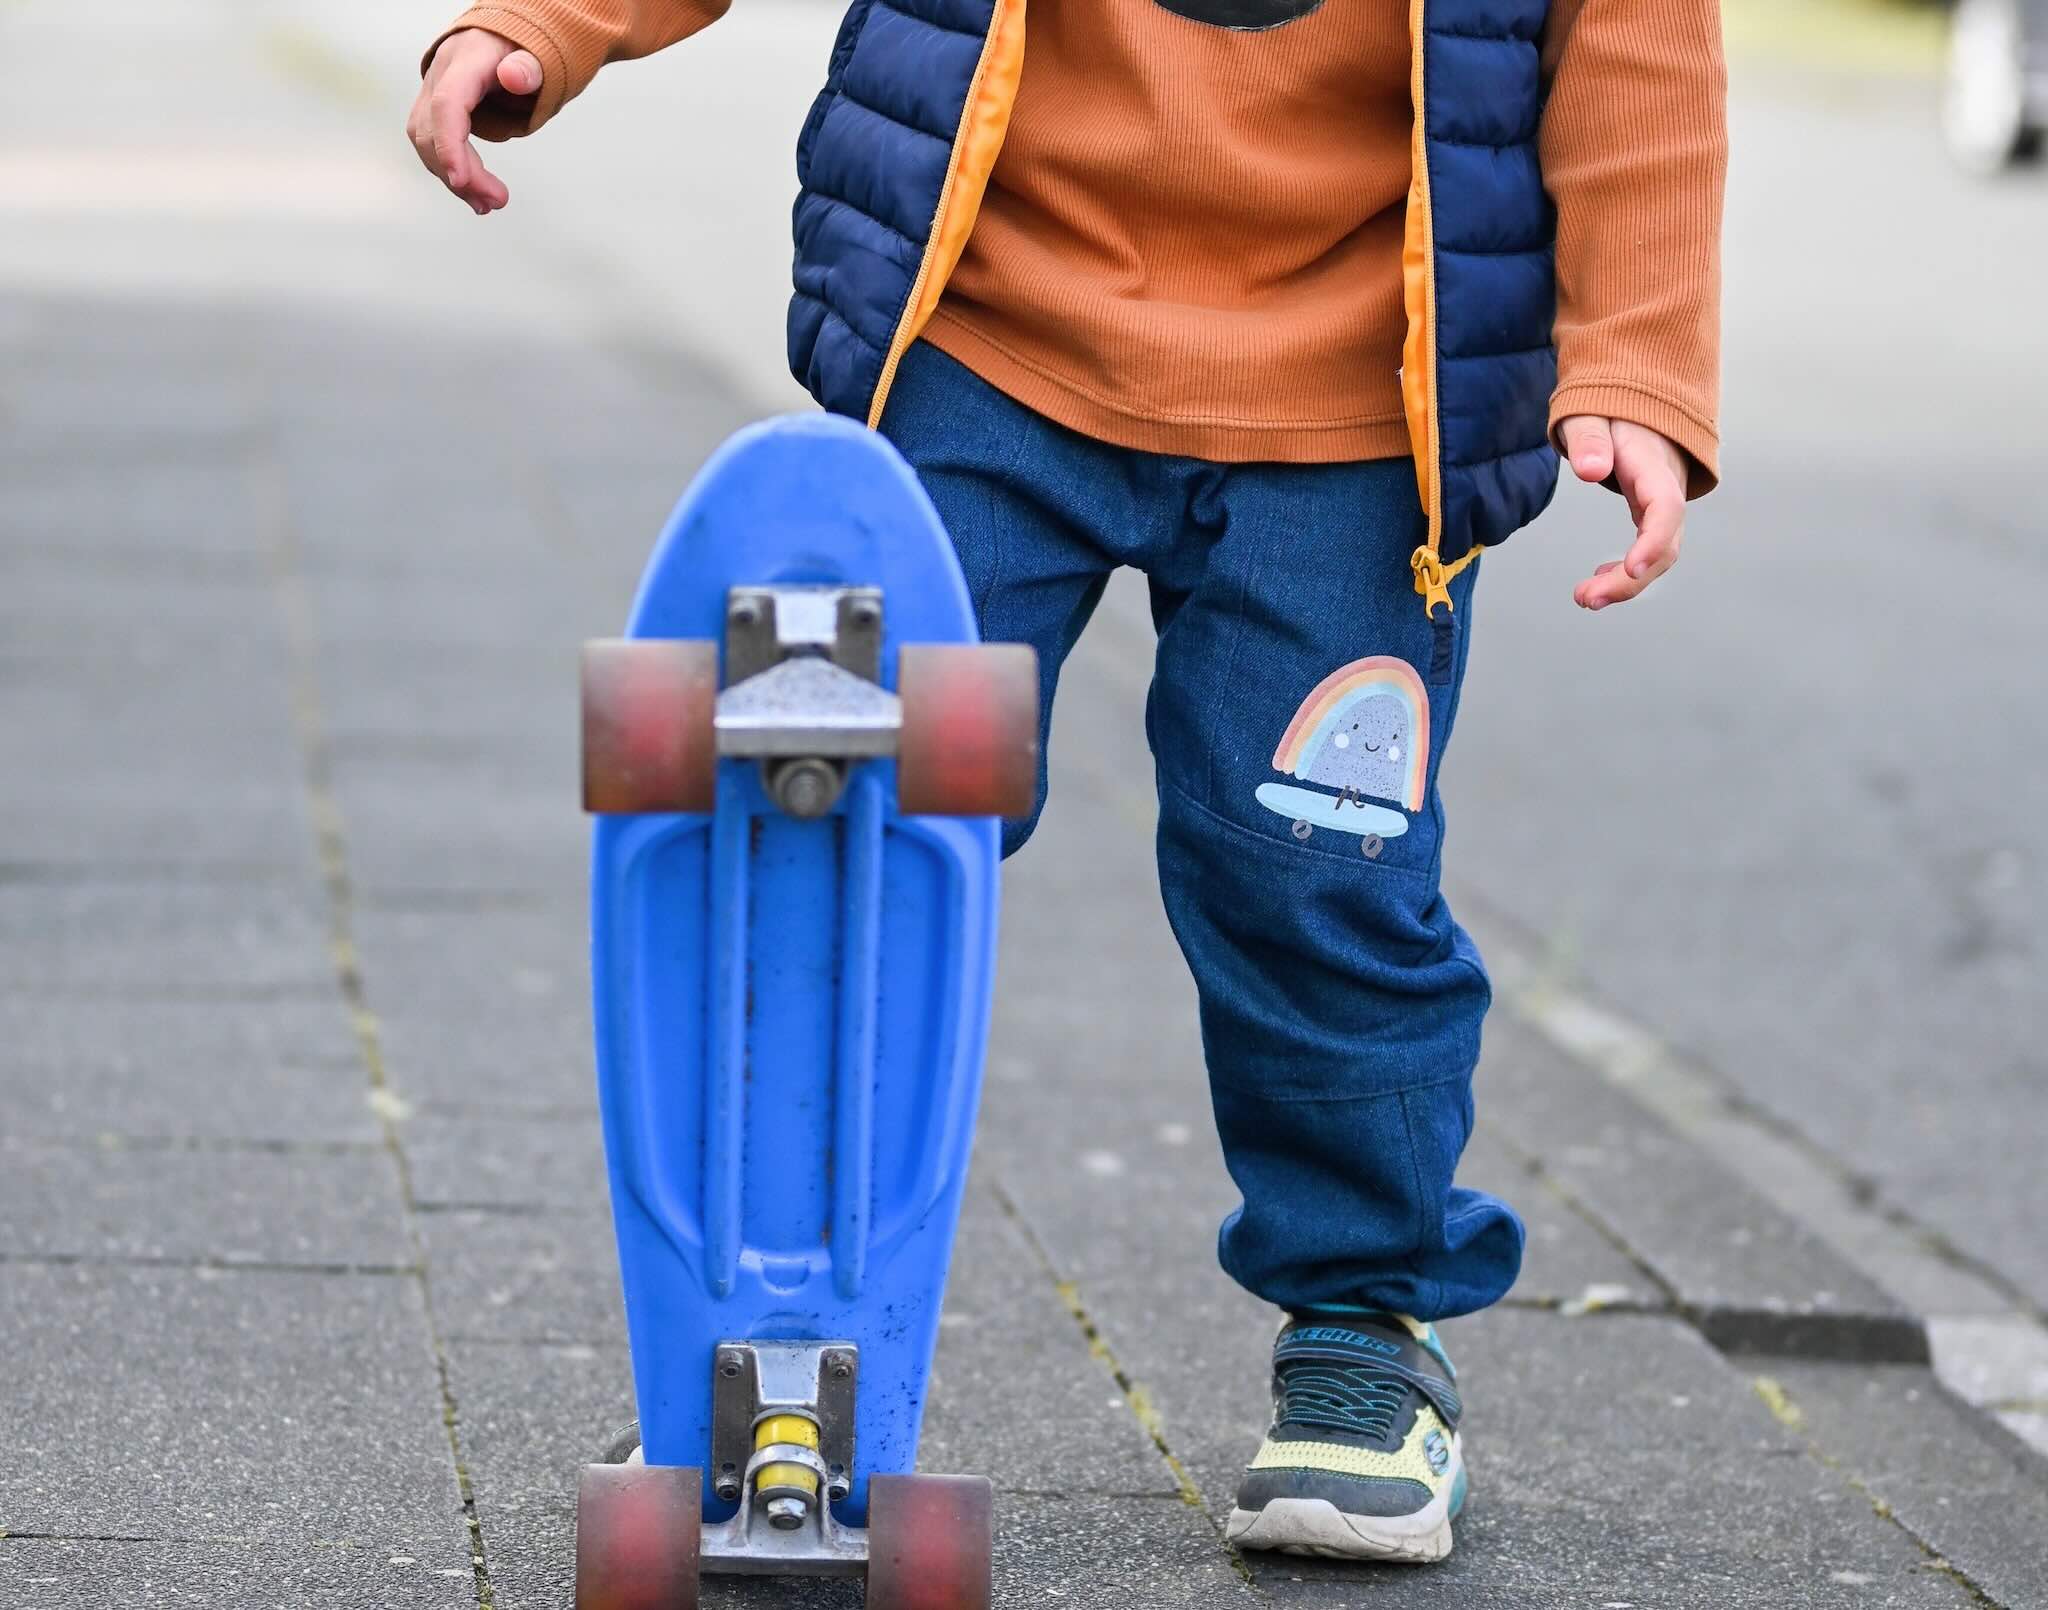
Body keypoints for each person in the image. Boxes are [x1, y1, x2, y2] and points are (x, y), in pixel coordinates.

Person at [408, 0, 1724, 1563]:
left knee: (1315, 874)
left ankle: (1366, 1326)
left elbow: (1640, 47)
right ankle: (760, 1333)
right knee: (835, 812)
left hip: (1365, 401)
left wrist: (1638, 361)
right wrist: (545, 26)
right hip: (993, 331)